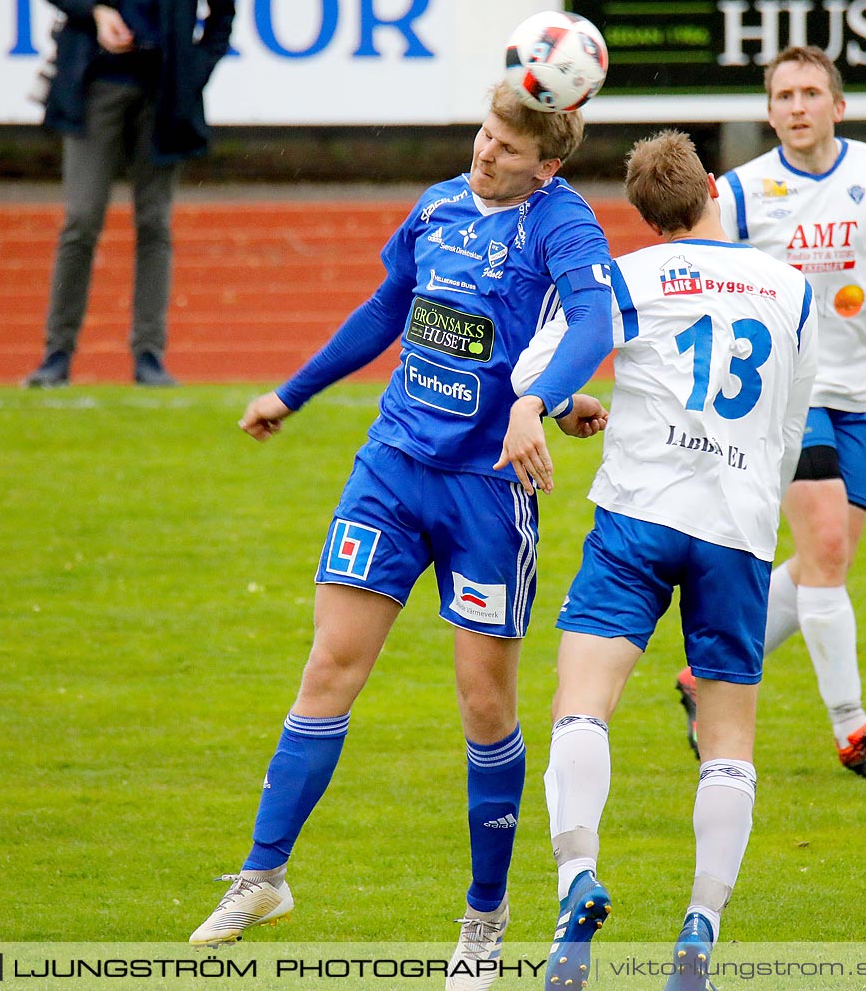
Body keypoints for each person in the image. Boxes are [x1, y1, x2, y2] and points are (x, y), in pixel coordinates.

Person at [188, 83, 616, 991]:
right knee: (328, 668)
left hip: (488, 495)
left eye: (506, 145)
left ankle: (485, 921)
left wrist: (543, 404)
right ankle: (263, 877)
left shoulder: (563, 226)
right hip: (391, 466)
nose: (484, 151)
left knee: (482, 706)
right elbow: (390, 310)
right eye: (484, 133)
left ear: (548, 160)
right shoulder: (436, 207)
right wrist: (291, 393)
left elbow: (593, 322)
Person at [512, 131, 816, 991]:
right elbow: (793, 423)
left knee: (582, 708)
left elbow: (536, 371)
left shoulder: (629, 276)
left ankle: (578, 878)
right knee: (727, 745)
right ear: (715, 187)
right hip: (738, 533)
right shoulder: (792, 290)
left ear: (644, 219)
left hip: (638, 519)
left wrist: (566, 405)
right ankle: (701, 928)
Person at [676, 44, 866, 781]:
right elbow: (698, 276)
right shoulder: (738, 192)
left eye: (809, 93)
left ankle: (704, 674)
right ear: (769, 112)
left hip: (858, 390)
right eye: (783, 96)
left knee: (828, 560)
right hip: (788, 395)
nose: (796, 107)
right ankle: (853, 732)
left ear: (837, 105)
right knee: (826, 546)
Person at [23, 0, 235, 390]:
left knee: (155, 223)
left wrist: (193, 72)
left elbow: (221, 12)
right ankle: (55, 357)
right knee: (81, 219)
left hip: (165, 90)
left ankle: (148, 358)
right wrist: (95, 12)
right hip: (95, 81)